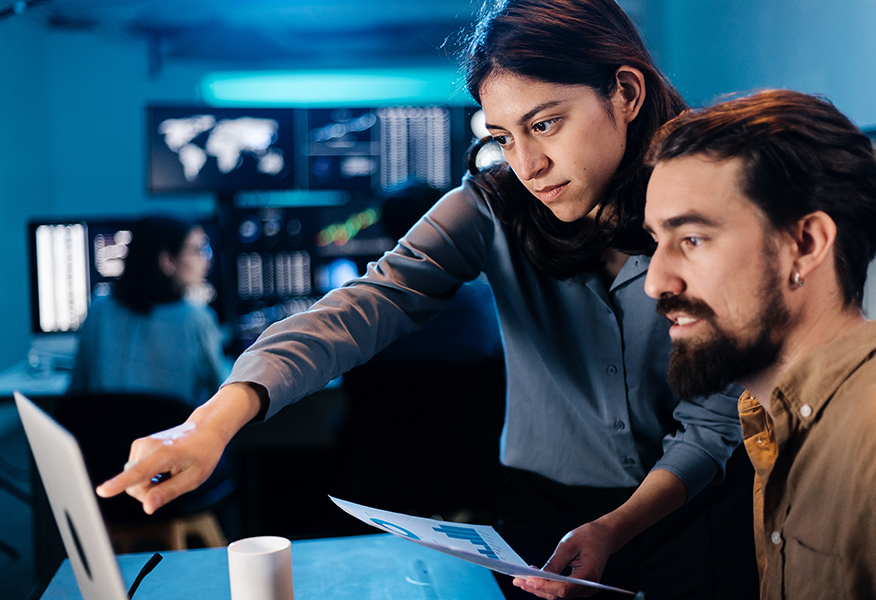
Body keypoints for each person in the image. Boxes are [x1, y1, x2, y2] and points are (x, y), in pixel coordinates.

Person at [97, 1, 759, 598]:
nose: (527, 165)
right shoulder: (492, 206)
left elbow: (714, 422)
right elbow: (364, 306)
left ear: (625, 91)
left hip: (691, 511)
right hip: (543, 516)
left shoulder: (712, 207)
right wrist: (210, 422)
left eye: (546, 124)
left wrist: (616, 529)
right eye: (503, 137)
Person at [642, 89, 876, 599]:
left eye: (692, 239)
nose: (655, 281)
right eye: (656, 241)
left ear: (805, 245)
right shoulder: (766, 417)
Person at [69, 215, 229, 408]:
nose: (207, 259)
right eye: (199, 250)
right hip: (173, 438)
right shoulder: (197, 320)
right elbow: (223, 393)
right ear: (167, 260)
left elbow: (75, 393)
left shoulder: (98, 311)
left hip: (108, 436)